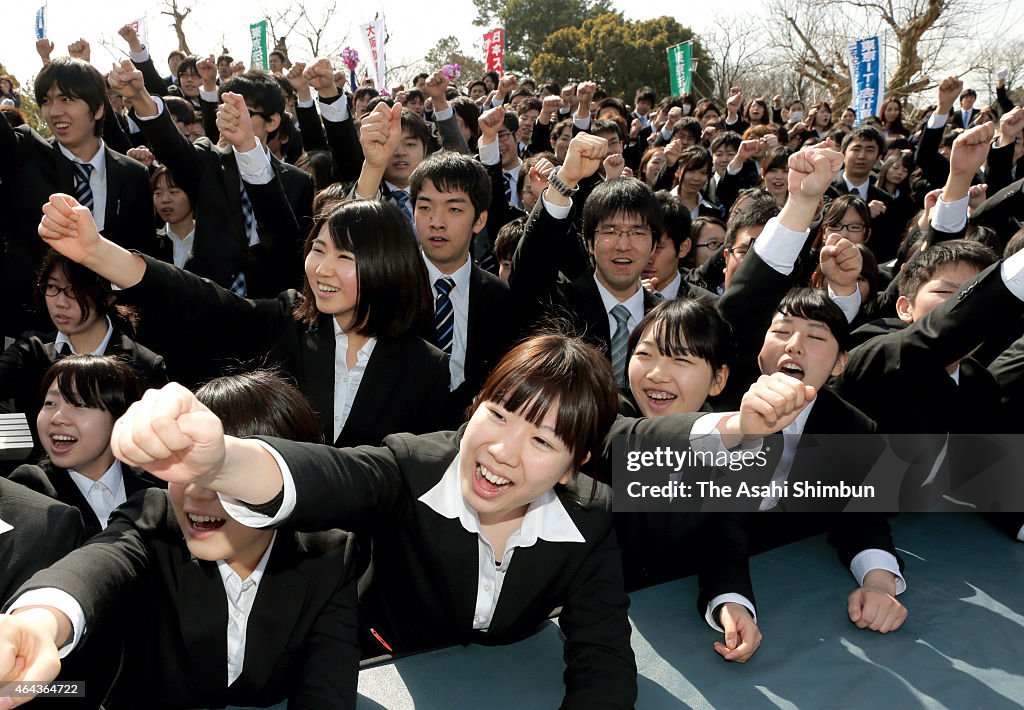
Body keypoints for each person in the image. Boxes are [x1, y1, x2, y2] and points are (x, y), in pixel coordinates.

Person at [70, 331, 810, 706]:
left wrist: (735, 434)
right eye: (497, 414)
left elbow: (603, 663)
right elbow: (326, 476)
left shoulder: (587, 520)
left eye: (544, 440)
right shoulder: (411, 464)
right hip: (382, 669)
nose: (502, 454)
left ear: (580, 459)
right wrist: (223, 457)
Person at [2, 370, 360, 709]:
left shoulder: (328, 555)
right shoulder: (155, 518)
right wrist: (38, 621)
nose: (196, 493)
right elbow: (96, 566)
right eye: (183, 466)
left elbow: (326, 691)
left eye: (224, 474)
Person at [36, 193, 450, 449]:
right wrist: (96, 253)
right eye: (318, 249)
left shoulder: (425, 366)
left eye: (344, 257)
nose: (322, 269)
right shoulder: (285, 324)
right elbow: (202, 300)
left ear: (386, 266)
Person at [0, 58, 155, 338]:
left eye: (67, 99)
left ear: (97, 109)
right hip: (31, 332)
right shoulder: (25, 156)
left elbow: (141, 256)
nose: (54, 111)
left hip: (109, 337)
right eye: (46, 101)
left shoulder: (132, 175)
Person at [0, 251, 167, 454]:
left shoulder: (143, 363)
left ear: (108, 297)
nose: (61, 302)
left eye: (75, 291)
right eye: (52, 287)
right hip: (44, 479)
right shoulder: (33, 350)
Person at [9, 355, 162, 537]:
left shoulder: (160, 482)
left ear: (121, 416)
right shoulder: (28, 490)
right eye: (50, 403)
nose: (57, 418)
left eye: (79, 404)